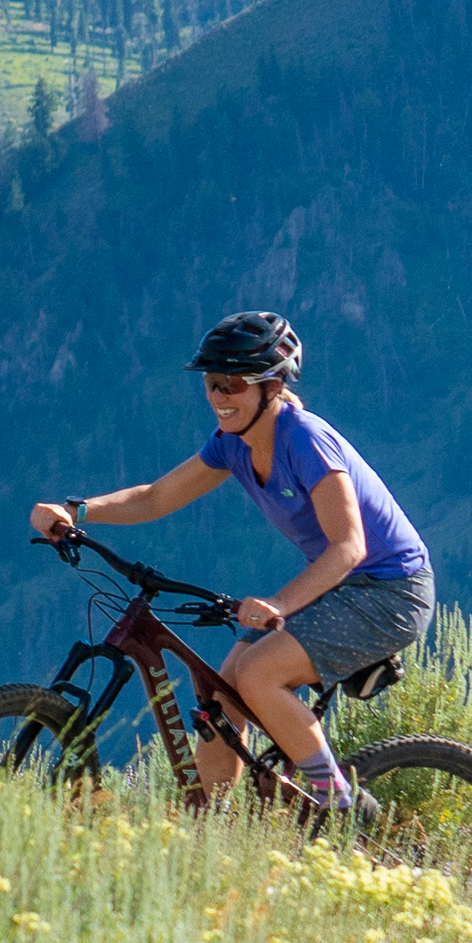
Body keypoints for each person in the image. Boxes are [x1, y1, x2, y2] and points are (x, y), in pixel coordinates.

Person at [31, 311, 434, 814]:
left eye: (234, 383)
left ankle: (340, 809)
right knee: (225, 690)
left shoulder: (305, 439)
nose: (219, 396)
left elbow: (350, 547)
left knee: (260, 674)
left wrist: (279, 603)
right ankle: (206, 830)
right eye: (212, 383)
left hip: (391, 591)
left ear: (272, 385)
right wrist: (78, 511)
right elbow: (156, 498)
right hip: (341, 586)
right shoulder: (232, 445)